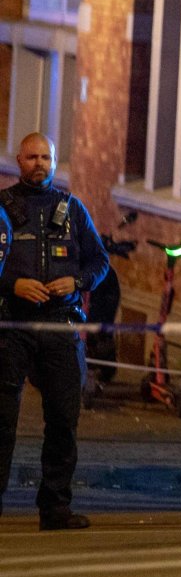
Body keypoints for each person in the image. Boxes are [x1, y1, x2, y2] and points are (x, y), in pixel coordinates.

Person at [0, 133, 108, 529]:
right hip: (12, 325)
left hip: (61, 324)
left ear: (56, 161)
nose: (39, 163)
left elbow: (100, 262)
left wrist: (76, 281)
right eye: (32, 157)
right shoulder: (2, 208)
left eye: (46, 157)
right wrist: (11, 285)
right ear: (18, 160)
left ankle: (55, 507)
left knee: (63, 418)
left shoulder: (72, 208)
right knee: (2, 420)